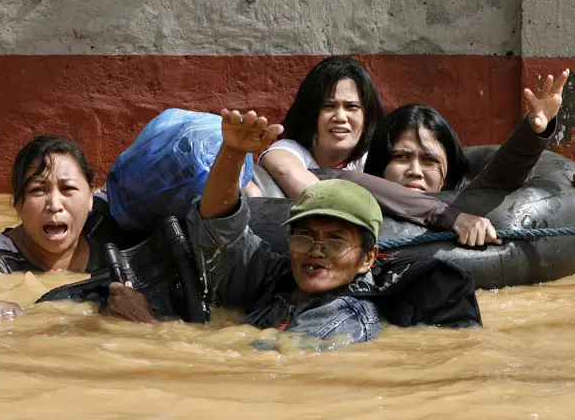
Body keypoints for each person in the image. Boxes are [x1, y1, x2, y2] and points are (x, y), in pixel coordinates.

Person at [105, 109, 482, 344]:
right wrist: (234, 153)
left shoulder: (342, 319)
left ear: (368, 258)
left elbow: (246, 374)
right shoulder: (281, 278)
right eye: (305, 235)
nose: (316, 250)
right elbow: (222, 228)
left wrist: (149, 328)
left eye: (335, 240)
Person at [341, 70, 571, 247]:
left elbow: (501, 177)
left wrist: (533, 131)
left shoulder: (464, 201)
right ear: (380, 164)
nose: (415, 170)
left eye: (429, 161)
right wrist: (448, 217)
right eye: (401, 157)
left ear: (448, 171)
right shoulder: (354, 190)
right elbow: (347, 180)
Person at [0, 135, 126, 320]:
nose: (55, 205)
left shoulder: (106, 220)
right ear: (18, 204)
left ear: (90, 197)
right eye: (38, 190)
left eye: (68, 189)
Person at [258, 56, 384, 199]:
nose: (341, 117)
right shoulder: (290, 151)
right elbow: (282, 167)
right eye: (328, 106)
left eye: (351, 107)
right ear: (309, 111)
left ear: (367, 114)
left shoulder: (378, 157)